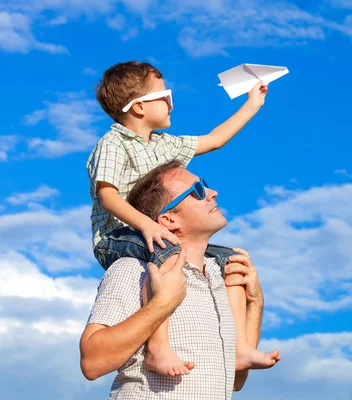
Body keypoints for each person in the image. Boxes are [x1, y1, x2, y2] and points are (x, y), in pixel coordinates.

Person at [86, 61, 274, 376]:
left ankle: (239, 348)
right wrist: (146, 224)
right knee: (167, 254)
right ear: (139, 107)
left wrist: (253, 103)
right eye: (165, 95)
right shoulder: (112, 144)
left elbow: (214, 140)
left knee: (230, 261)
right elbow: (108, 195)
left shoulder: (164, 145)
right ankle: (158, 349)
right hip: (118, 236)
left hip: (156, 232)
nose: (171, 101)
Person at [80, 161, 281, 398]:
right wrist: (162, 304)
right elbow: (92, 362)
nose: (212, 193)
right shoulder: (135, 269)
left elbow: (237, 378)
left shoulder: (222, 278)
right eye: (197, 190)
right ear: (168, 220)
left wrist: (255, 303)